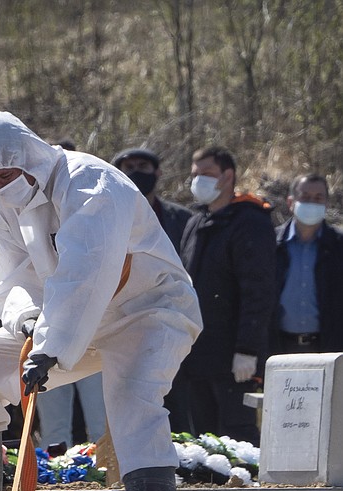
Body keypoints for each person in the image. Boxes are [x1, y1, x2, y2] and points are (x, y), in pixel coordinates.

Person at [0, 111, 202, 491]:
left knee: (132, 401)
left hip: (147, 311)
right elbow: (9, 276)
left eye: (5, 175)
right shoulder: (0, 200)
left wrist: (51, 345)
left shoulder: (91, 183)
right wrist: (25, 320)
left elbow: (88, 271)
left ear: (30, 156)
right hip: (65, 322)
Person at [172, 146, 276, 443]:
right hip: (198, 353)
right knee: (205, 438)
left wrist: (247, 348)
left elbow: (258, 289)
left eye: (206, 174)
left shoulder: (250, 221)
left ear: (227, 176)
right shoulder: (196, 222)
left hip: (234, 359)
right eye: (195, 175)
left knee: (238, 434)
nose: (198, 181)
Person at [271, 174, 343, 355]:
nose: (312, 202)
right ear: (290, 202)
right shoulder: (271, 244)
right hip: (279, 347)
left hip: (328, 348)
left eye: (318, 198)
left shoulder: (338, 245)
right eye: (305, 197)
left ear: (326, 203)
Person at [111, 147, 192, 253]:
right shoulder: (109, 216)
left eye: (143, 166)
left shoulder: (182, 218)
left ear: (158, 172)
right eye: (129, 167)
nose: (136, 172)